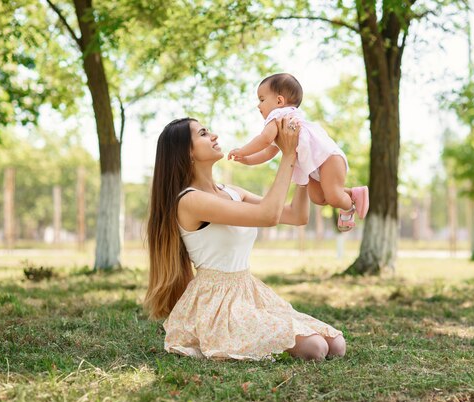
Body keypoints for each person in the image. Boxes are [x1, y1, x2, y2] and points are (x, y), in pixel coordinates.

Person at [145, 116, 346, 361]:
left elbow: (296, 215)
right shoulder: (190, 200)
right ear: (187, 152)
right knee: (315, 349)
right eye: (203, 134)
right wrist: (288, 155)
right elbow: (268, 215)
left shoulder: (231, 192)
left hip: (249, 291)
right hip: (217, 304)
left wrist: (303, 166)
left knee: (336, 344)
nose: (214, 136)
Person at [227, 73, 369, 232]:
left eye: (261, 100)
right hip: (314, 166)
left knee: (333, 197)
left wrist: (243, 150)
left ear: (279, 101)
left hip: (328, 158)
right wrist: (247, 160)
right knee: (318, 198)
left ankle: (348, 207)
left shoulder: (279, 115)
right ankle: (352, 193)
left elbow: (264, 139)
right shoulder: (283, 126)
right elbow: (268, 153)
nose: (258, 106)